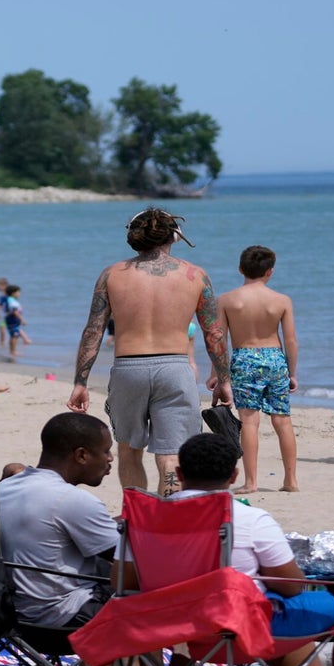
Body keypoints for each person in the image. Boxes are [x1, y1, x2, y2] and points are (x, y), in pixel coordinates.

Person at [171, 434, 334, 666]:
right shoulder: (248, 519)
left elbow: (127, 580)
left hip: (170, 628)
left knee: (278, 610)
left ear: (179, 474)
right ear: (234, 475)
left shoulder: (145, 517)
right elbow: (290, 586)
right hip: (236, 631)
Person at [68, 207, 231, 496]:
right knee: (171, 454)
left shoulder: (112, 275)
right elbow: (213, 334)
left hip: (128, 369)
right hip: (175, 369)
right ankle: (168, 518)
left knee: (129, 449)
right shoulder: (195, 275)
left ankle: (137, 517)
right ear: (175, 236)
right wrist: (224, 379)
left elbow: (92, 331)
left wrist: (80, 382)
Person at [0, 412, 122, 666]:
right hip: (62, 623)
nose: (110, 459)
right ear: (82, 455)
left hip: (9, 617)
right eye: (106, 451)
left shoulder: (5, 488)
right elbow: (129, 558)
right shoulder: (72, 500)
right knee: (151, 584)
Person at [217, 245, 299, 493]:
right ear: (270, 272)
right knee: (283, 421)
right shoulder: (281, 300)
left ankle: (251, 482)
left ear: (240, 269)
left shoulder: (227, 300)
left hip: (244, 359)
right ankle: (290, 481)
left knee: (249, 423)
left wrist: (217, 374)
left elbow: (219, 341)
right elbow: (291, 340)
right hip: (275, 358)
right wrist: (292, 372)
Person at [0, 284, 29, 358]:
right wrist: (22, 319)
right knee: (14, 335)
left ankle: (12, 351)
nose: (19, 294)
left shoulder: (9, 299)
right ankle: (13, 351)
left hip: (10, 318)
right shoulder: (12, 301)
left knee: (13, 335)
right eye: (18, 292)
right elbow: (14, 311)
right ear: (13, 293)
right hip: (13, 318)